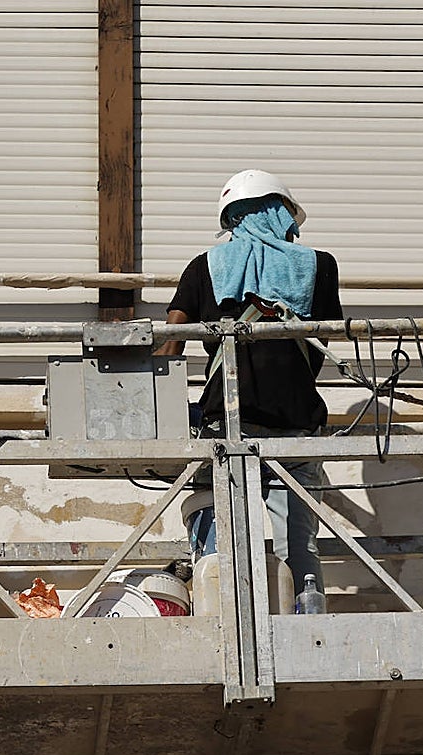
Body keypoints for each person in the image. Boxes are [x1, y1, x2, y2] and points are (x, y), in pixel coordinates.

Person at [154, 169, 342, 606]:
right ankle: (307, 623)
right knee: (299, 547)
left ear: (233, 218)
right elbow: (323, 341)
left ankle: (226, 620)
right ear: (278, 212)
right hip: (297, 422)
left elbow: (170, 346)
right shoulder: (319, 266)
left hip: (227, 425)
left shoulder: (205, 267)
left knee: (223, 546)